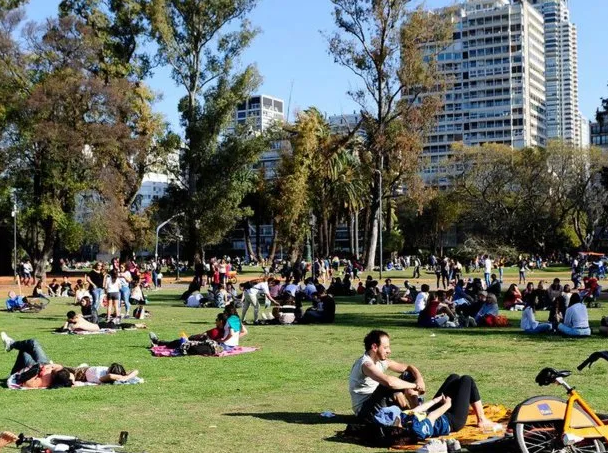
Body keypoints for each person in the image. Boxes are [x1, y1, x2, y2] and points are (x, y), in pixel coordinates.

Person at [373, 374, 496, 440]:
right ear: (395, 424)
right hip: (451, 421)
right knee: (466, 380)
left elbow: (417, 410)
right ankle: (481, 419)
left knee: (454, 378)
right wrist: (447, 405)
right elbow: (432, 417)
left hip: (434, 414)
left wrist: (435, 401)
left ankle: (479, 417)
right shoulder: (417, 430)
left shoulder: (402, 419)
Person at [348, 330, 425, 423]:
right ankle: (410, 414)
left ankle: (417, 413)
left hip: (378, 402)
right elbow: (390, 382)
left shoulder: (380, 361)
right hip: (365, 411)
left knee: (408, 374)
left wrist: (419, 379)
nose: (389, 351)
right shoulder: (366, 364)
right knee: (388, 384)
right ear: (374, 347)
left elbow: (408, 367)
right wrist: (415, 385)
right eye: (385, 348)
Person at [1, 333, 71, 389]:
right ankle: (11, 344)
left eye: (53, 369)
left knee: (30, 345)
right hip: (42, 364)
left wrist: (39, 369)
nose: (52, 367)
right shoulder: (63, 374)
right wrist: (48, 366)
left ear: (53, 376)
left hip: (33, 369)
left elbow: (27, 383)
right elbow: (59, 367)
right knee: (29, 345)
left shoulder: (43, 380)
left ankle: (11, 344)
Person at [149, 313, 228, 347]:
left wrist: (192, 337)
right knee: (177, 342)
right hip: (198, 342)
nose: (215, 321)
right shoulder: (223, 330)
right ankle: (158, 343)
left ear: (221, 321)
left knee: (178, 342)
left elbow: (203, 336)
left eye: (216, 319)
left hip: (196, 343)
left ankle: (157, 342)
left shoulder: (216, 332)